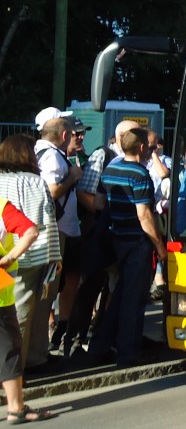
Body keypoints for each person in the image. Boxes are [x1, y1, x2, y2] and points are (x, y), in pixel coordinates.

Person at [88, 126, 168, 368]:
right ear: (142, 147)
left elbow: (100, 202)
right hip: (136, 242)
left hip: (116, 238)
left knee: (121, 294)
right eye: (150, 147)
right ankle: (128, 353)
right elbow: (144, 216)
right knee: (134, 300)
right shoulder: (139, 175)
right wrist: (160, 246)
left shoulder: (111, 168)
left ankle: (99, 347)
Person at [73, 119, 140, 356]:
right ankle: (74, 339)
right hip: (99, 233)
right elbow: (84, 192)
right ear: (123, 135)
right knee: (90, 284)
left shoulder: (132, 159)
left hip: (117, 234)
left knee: (111, 287)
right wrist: (107, 215)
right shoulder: (104, 155)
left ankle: (101, 338)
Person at [0, 133, 60, 373]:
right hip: (27, 257)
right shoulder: (34, 181)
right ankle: (18, 372)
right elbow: (46, 221)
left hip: (4, 255)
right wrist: (54, 258)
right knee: (22, 317)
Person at [0, 193, 54, 423]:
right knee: (9, 345)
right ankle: (16, 407)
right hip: (0, 292)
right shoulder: (2, 206)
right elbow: (31, 232)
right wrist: (10, 257)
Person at [35, 113, 84, 359]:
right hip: (58, 233)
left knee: (53, 288)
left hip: (59, 231)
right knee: (50, 289)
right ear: (64, 135)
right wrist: (73, 176)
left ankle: (50, 340)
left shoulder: (43, 152)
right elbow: (52, 191)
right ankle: (42, 347)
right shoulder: (53, 157)